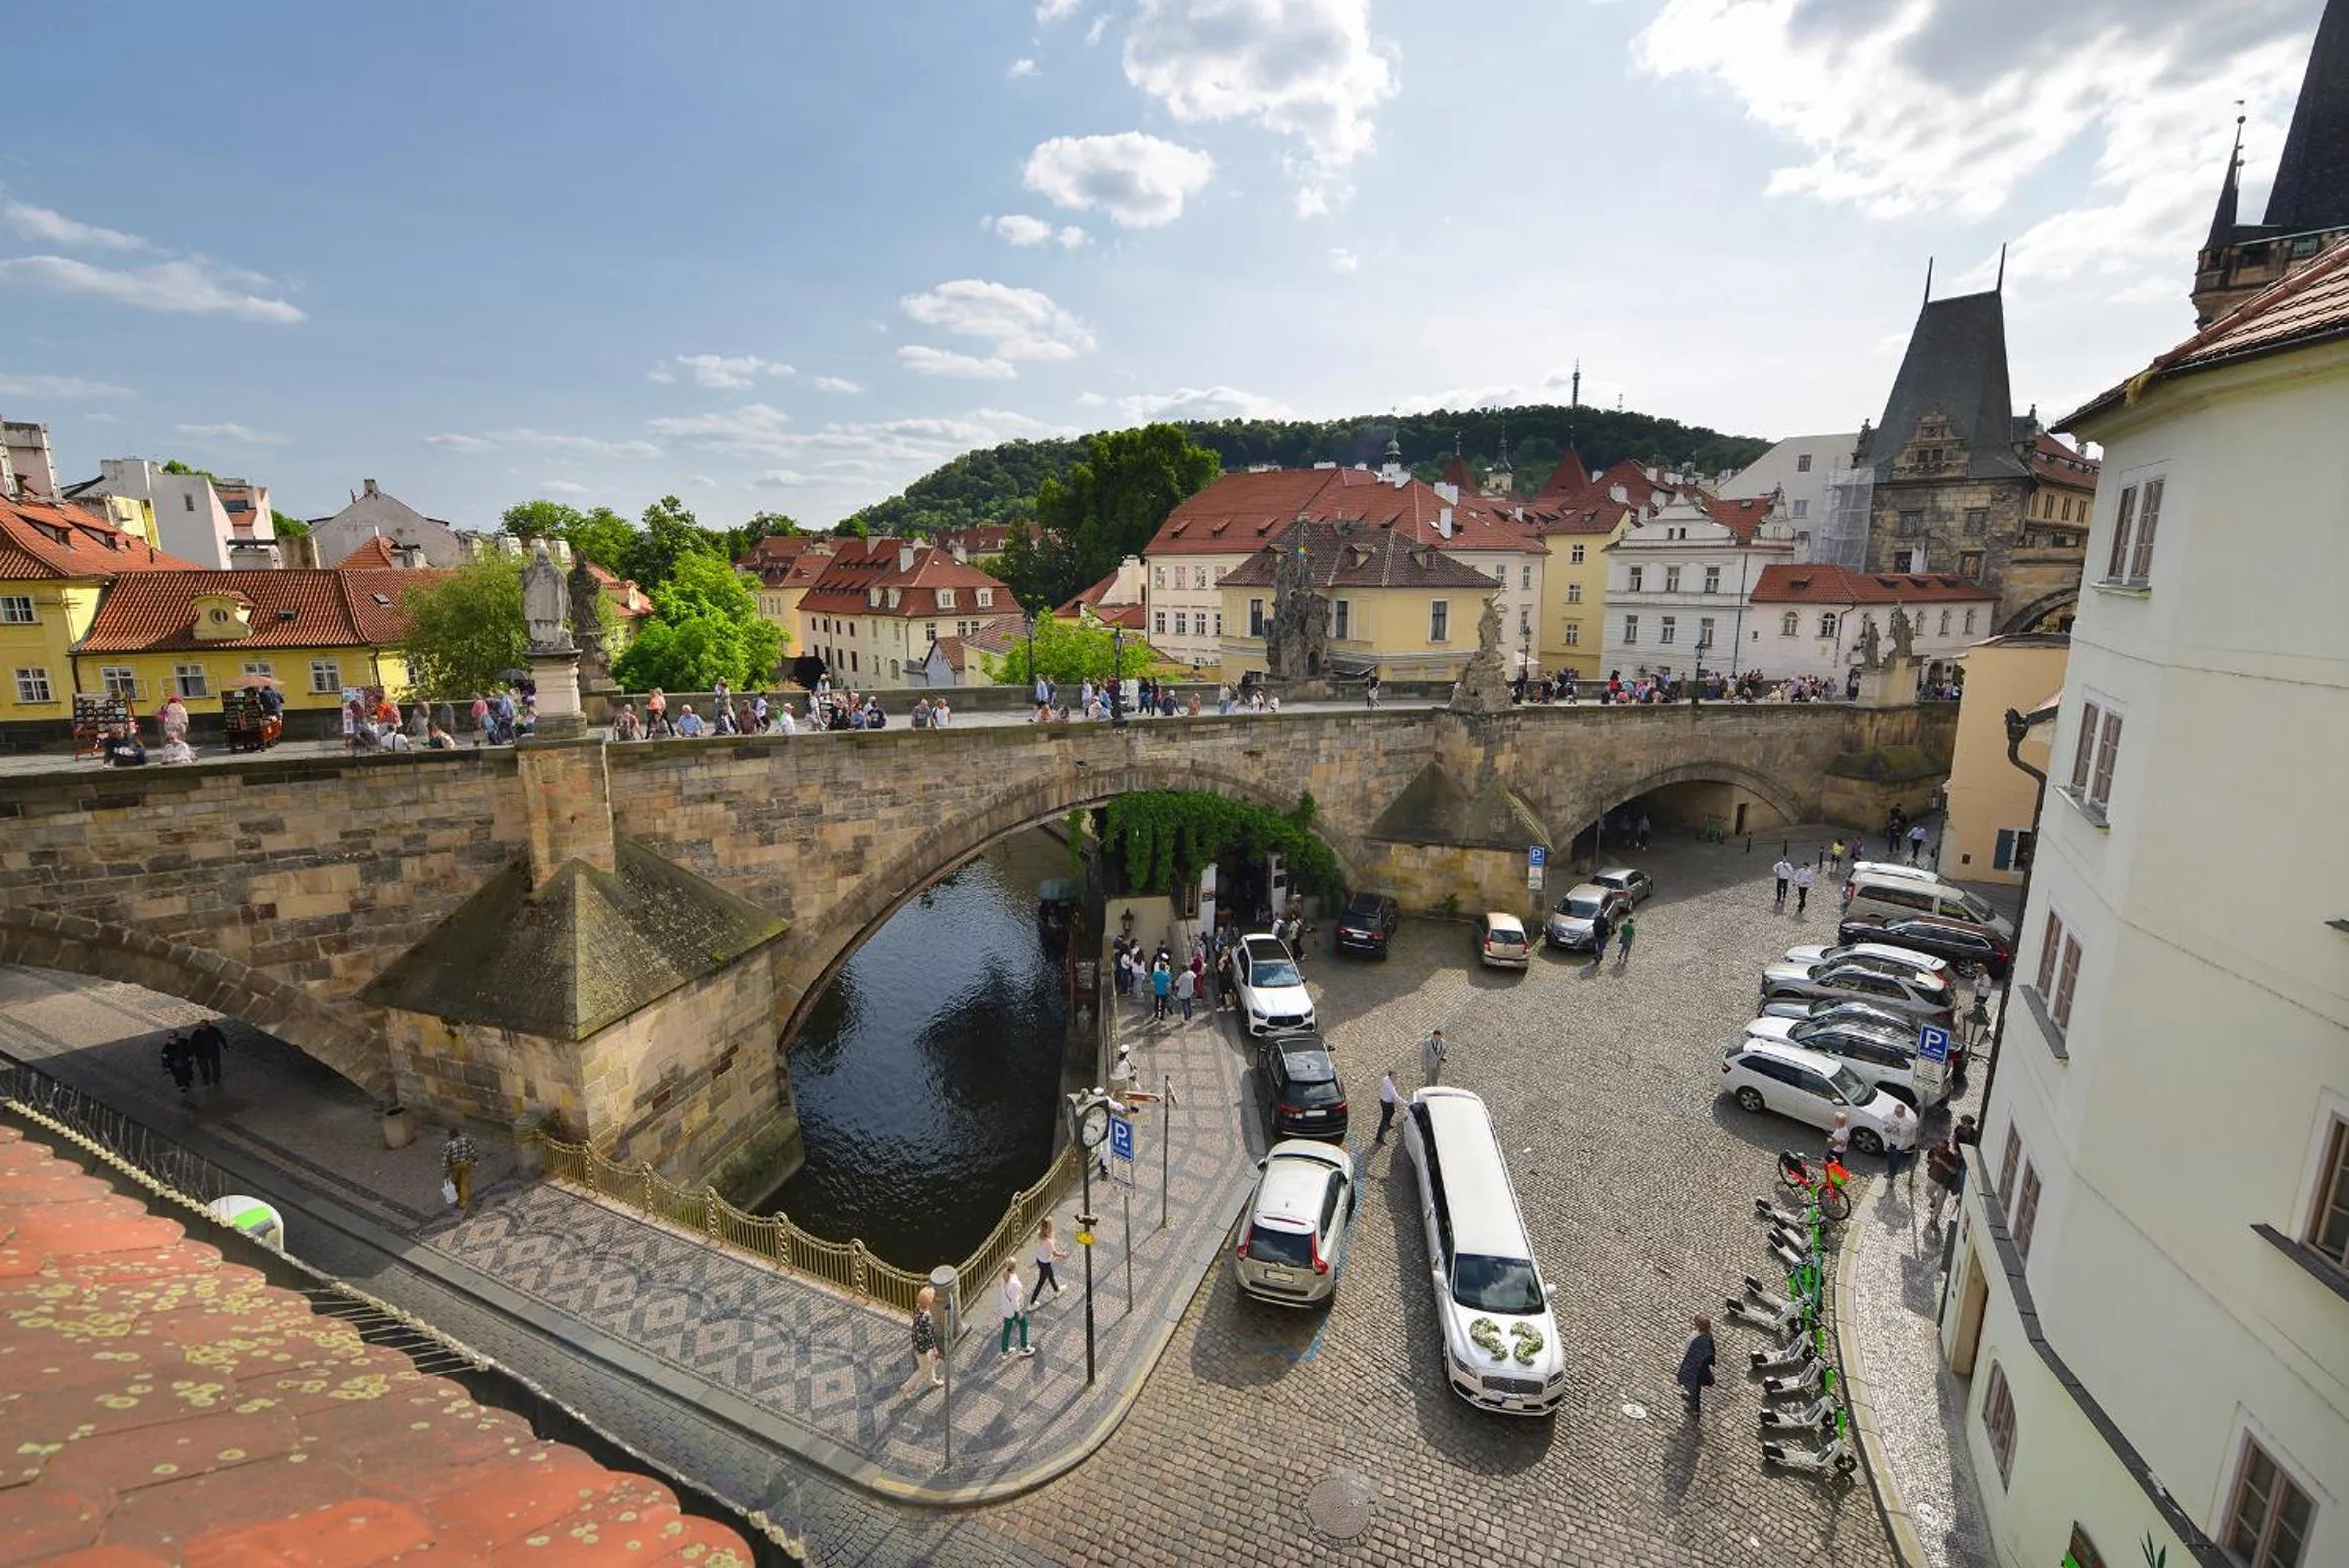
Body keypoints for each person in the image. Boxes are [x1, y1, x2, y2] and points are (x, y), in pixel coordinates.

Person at [900, 1284, 945, 1397]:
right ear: (929, 1301)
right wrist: (933, 1347)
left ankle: (932, 1381)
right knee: (922, 1369)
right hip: (923, 1348)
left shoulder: (916, 1309)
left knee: (930, 1362)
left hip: (916, 1344)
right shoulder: (927, 1317)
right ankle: (906, 1388)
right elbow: (928, 1335)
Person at [1675, 1315, 1717, 1414]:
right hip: (1692, 1363)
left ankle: (1695, 1409)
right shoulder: (1701, 1334)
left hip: (1696, 1367)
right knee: (1691, 1386)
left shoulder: (1703, 1339)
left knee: (1694, 1388)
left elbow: (1708, 1355)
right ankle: (1690, 1397)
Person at [1925, 1135, 1963, 1229]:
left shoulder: (1952, 1158)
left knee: (1940, 1201)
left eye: (1942, 1148)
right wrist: (1930, 1162)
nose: (1939, 1149)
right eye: (1938, 1147)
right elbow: (1929, 1159)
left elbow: (1954, 1171)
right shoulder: (1934, 1151)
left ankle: (1934, 1217)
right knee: (1928, 1192)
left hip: (1944, 1182)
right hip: (1932, 1177)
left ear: (1947, 1148)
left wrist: (1942, 1162)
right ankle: (1933, 1200)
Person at [998, 1260, 1034, 1358]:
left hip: (1006, 1307)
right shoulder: (1015, 1283)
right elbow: (1014, 1300)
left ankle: (1005, 1350)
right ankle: (1024, 1347)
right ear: (1015, 1267)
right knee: (1024, 1323)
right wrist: (1018, 1311)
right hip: (1013, 1309)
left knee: (1007, 1328)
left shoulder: (1005, 1275)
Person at [442, 1127, 479, 1213]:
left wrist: (445, 1172)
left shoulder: (448, 1146)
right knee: (464, 1183)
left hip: (454, 1166)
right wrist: (475, 1161)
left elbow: (445, 1160)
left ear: (450, 1136)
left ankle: (458, 1197)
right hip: (466, 1163)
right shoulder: (466, 1141)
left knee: (455, 1182)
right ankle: (463, 1202)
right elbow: (473, 1152)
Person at [1032, 1219, 1069, 1304]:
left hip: (1040, 1260)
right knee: (1041, 1281)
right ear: (1049, 1227)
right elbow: (1055, 1253)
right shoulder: (1049, 1242)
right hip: (1045, 1263)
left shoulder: (1039, 1234)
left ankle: (1057, 1290)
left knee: (1051, 1276)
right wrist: (1064, 1254)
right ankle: (1032, 1302)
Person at [190, 1020, 225, 1088]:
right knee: (204, 1068)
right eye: (200, 1026)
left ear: (208, 1026)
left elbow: (221, 1038)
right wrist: (192, 1053)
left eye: (203, 1026)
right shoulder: (196, 1034)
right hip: (201, 1053)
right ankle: (206, 1080)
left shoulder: (215, 1031)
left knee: (216, 1066)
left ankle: (216, 1080)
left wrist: (225, 1046)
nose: (202, 1028)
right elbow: (192, 1044)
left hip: (214, 1052)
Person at [161, 1030, 194, 1095]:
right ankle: (181, 1086)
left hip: (184, 1062)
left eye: (174, 1037)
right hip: (174, 1064)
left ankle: (186, 1082)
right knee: (177, 1075)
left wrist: (189, 1056)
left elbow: (188, 1050)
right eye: (170, 1037)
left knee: (186, 1073)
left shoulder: (183, 1042)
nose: (172, 1039)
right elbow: (164, 1058)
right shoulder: (166, 1048)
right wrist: (166, 1067)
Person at [1374, 1070, 1401, 1144]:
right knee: (1384, 1120)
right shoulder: (1390, 1086)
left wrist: (1395, 1082)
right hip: (1387, 1103)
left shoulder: (1387, 1079)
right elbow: (1396, 1097)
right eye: (1395, 1077)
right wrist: (1406, 1103)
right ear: (1390, 1077)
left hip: (1386, 1101)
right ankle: (1379, 1137)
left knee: (1393, 1112)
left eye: (1396, 1076)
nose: (1396, 1078)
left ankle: (1388, 1125)